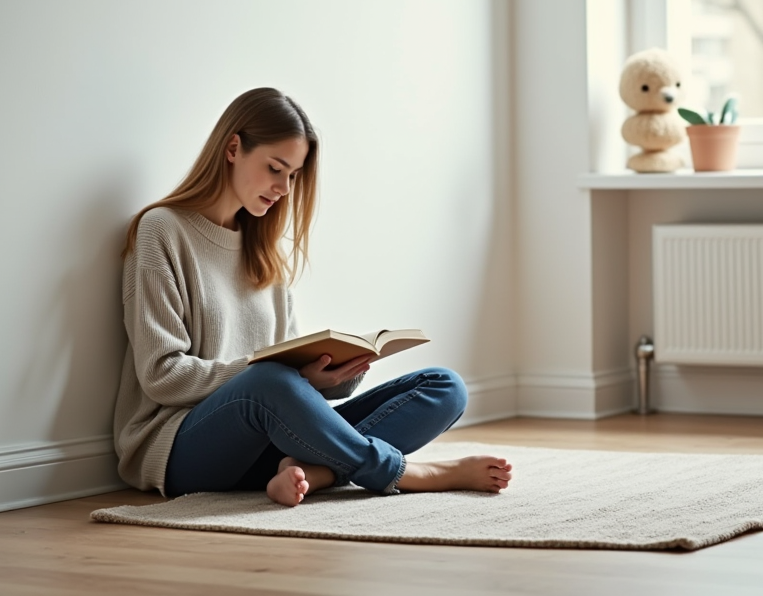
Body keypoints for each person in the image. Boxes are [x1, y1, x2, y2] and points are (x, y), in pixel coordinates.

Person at [113, 87, 513, 505]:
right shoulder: (161, 230)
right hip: (182, 449)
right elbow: (162, 376)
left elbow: (290, 384)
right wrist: (277, 377)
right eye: (275, 168)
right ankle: (406, 472)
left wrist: (331, 371)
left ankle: (317, 474)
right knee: (268, 381)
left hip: (266, 441)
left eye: (293, 175)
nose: (284, 188)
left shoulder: (263, 247)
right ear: (233, 148)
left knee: (444, 386)